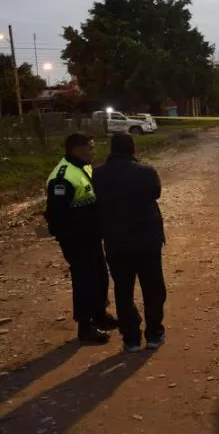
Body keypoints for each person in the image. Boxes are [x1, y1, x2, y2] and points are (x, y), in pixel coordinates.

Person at [92, 133, 167, 352]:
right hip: (147, 241)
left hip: (117, 243)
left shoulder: (97, 175)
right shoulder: (146, 172)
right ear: (133, 149)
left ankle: (131, 338)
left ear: (112, 149)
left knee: (123, 291)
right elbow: (156, 193)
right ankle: (154, 334)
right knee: (153, 289)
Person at [44, 132, 117, 344]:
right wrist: (70, 240)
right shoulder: (62, 177)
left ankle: (100, 316)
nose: (93, 151)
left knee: (100, 276)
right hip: (76, 239)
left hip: (91, 236)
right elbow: (58, 215)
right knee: (84, 280)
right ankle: (85, 327)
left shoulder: (84, 166)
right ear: (76, 149)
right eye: (90, 148)